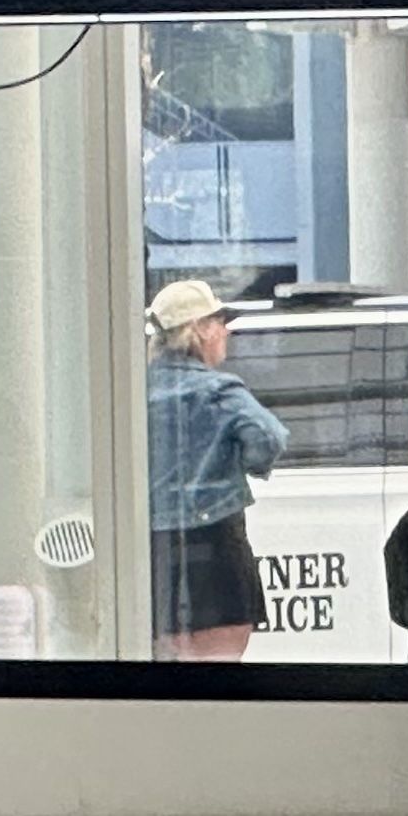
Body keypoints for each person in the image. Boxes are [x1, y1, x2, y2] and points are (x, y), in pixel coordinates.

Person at [144, 280, 286, 661]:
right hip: (217, 543)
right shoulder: (218, 390)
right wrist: (245, 463)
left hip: (151, 549)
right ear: (200, 329)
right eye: (220, 321)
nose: (225, 332)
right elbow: (267, 438)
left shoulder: (134, 391)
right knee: (218, 672)